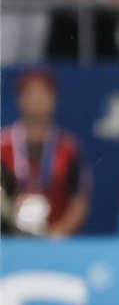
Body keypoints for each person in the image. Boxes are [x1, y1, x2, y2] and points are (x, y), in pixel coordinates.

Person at [1, 69, 89, 237]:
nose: (37, 99)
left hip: (55, 240)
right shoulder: (2, 146)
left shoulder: (68, 148)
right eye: (31, 94)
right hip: (8, 240)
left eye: (43, 94)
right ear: (19, 99)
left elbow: (79, 199)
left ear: (54, 99)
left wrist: (59, 232)